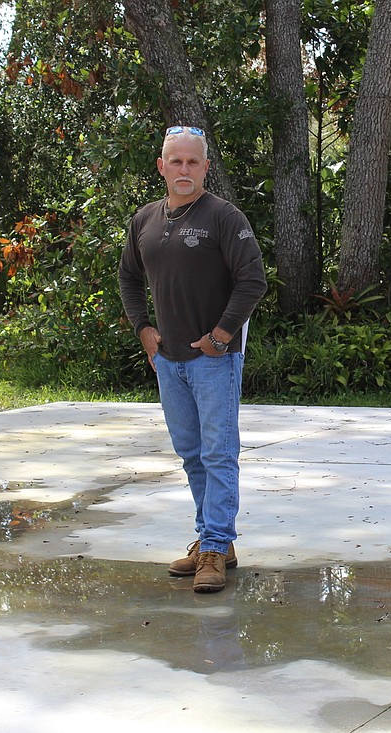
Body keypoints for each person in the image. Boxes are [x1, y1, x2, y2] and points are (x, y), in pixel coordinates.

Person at [118, 125, 267, 593]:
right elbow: (128, 279)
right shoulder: (143, 220)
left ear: (205, 167)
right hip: (169, 360)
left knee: (218, 455)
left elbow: (252, 280)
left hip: (213, 360)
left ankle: (213, 549)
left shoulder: (224, 217)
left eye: (193, 162)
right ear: (162, 166)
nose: (184, 169)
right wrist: (144, 330)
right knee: (192, 456)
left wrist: (222, 336)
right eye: (175, 161)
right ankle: (215, 542)